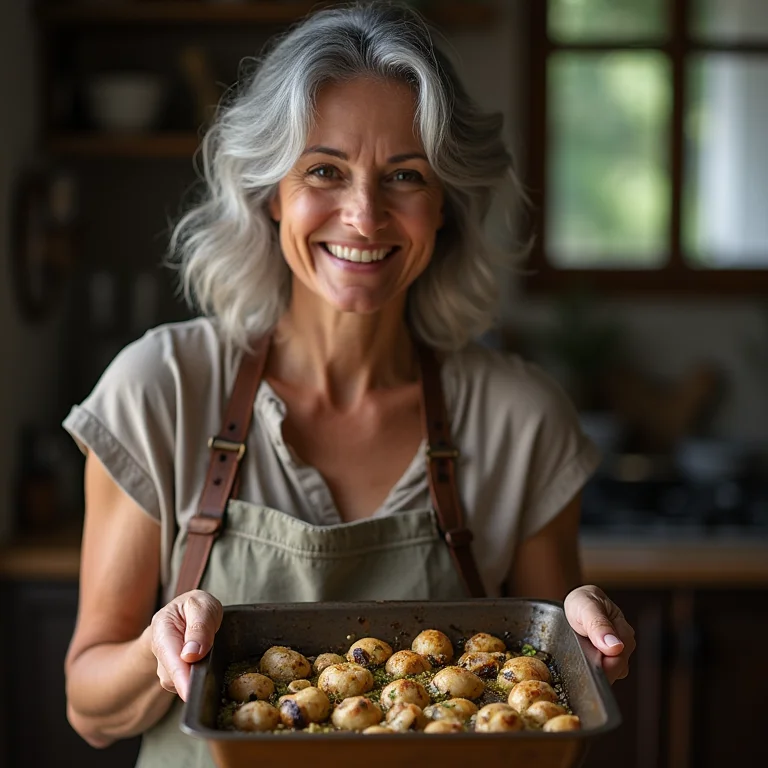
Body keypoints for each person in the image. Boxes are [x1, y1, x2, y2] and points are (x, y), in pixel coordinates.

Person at [62, 2, 635, 766]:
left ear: (445, 208)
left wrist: (579, 648)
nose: (363, 216)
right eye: (325, 170)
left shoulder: (520, 420)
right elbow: (89, 709)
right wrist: (153, 653)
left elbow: (547, 709)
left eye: (404, 176)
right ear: (271, 194)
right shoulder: (159, 390)